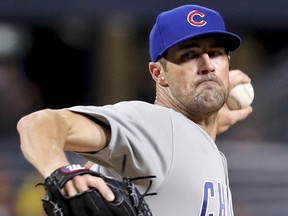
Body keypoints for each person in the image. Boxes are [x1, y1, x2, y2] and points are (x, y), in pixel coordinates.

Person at [17, 4, 253, 216]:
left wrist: (213, 123)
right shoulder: (153, 124)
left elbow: (182, 147)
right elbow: (38, 124)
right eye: (189, 55)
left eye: (215, 53)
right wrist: (62, 171)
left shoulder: (197, 142)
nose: (207, 65)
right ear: (158, 73)